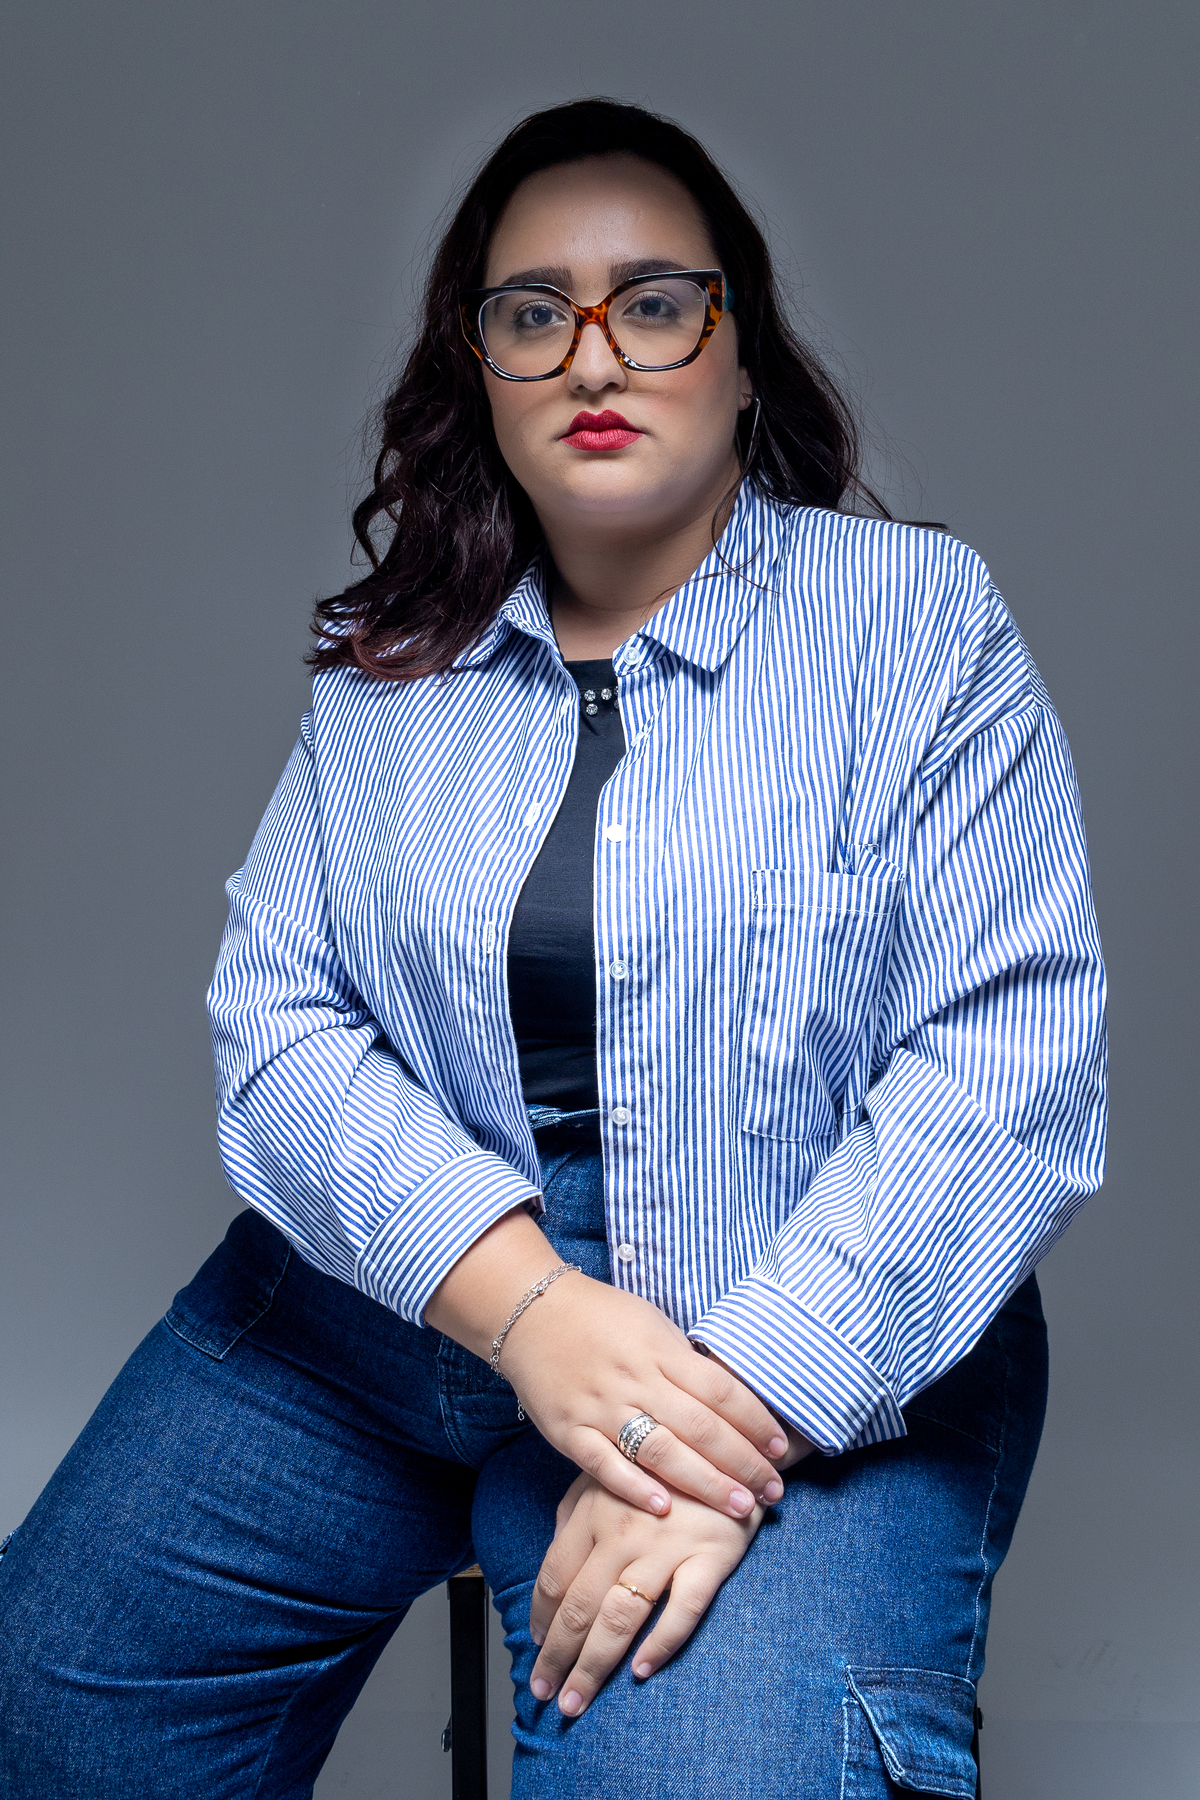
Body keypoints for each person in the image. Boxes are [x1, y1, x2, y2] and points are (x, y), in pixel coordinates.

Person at [0, 98, 1106, 1798]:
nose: (594, 355)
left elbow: (1005, 1074)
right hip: (399, 1303)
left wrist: (724, 1414)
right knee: (50, 1714)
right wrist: (526, 1313)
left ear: (743, 352)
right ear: (484, 372)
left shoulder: (917, 626)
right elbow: (279, 1019)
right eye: (534, 313)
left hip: (785, 1303)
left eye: (654, 303)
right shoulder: (391, 664)